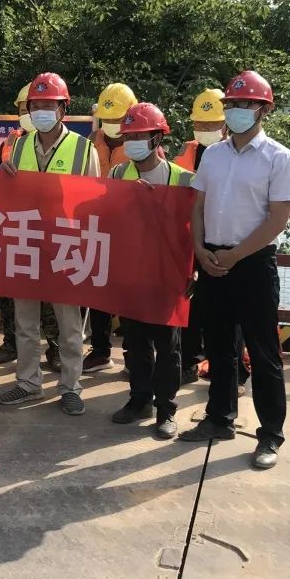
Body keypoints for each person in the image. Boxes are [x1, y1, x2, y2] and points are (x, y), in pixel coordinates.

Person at [178, 70, 290, 471]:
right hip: (212, 261)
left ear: (264, 109)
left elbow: (277, 220)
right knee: (218, 347)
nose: (237, 111)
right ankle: (219, 418)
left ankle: (270, 435)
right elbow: (197, 206)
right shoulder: (212, 155)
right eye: (232, 105)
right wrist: (200, 249)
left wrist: (236, 256)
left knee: (263, 351)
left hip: (252, 264)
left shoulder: (279, 159)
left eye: (246, 104)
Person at [0, 72, 99, 416]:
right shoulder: (20, 144)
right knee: (26, 321)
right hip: (26, 240)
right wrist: (5, 178)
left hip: (65, 244)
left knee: (69, 324)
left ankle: (70, 386)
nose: (40, 111)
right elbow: (5, 192)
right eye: (35, 105)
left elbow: (97, 201)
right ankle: (28, 382)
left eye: (48, 105)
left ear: (63, 109)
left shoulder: (84, 149)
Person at [107, 103, 193, 438]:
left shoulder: (182, 179)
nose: (133, 142)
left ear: (158, 136)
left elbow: (192, 229)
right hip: (130, 272)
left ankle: (166, 410)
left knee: (167, 346)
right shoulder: (117, 175)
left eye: (140, 135)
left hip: (166, 275)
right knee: (134, 342)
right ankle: (138, 398)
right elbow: (106, 218)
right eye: (128, 136)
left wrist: (193, 270)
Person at [0, 84, 62, 372]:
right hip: (17, 228)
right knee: (12, 294)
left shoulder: (71, 145)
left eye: (42, 108)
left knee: (52, 297)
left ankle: (55, 350)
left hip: (54, 232)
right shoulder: (13, 143)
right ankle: (11, 342)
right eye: (26, 109)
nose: (31, 114)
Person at [174, 88, 229, 383]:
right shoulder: (187, 151)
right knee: (190, 304)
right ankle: (188, 362)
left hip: (224, 239)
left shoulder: (235, 155)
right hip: (190, 237)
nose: (205, 129)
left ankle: (231, 373)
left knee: (227, 309)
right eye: (201, 124)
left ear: (225, 124)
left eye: (211, 124)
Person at [83, 82, 138, 373]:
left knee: (129, 296)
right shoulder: (93, 140)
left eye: (118, 119)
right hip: (96, 227)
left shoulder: (143, 144)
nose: (113, 125)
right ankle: (101, 350)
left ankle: (134, 355)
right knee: (97, 293)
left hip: (129, 234)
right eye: (108, 119)